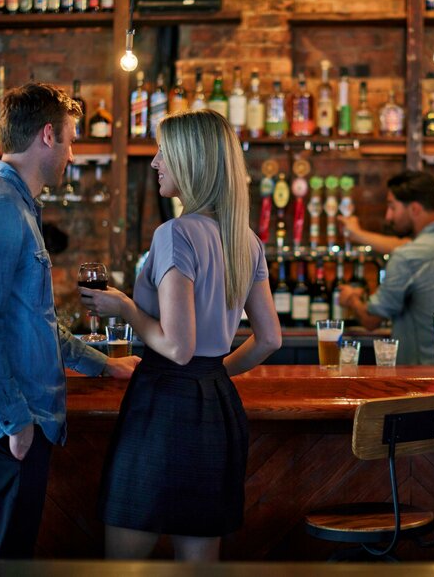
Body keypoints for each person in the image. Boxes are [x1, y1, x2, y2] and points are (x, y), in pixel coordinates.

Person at [0, 83, 137, 559]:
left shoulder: (14, 206)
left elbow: (32, 322)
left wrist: (103, 364)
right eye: (71, 139)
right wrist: (17, 421)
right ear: (47, 135)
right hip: (4, 432)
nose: (72, 152)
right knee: (2, 566)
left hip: (9, 428)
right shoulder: (2, 211)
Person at [79, 109, 282, 561]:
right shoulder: (246, 240)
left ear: (191, 162)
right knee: (199, 566)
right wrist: (211, 376)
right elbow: (269, 339)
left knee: (124, 566)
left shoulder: (174, 233)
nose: (154, 163)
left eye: (163, 153)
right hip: (215, 405)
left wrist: (125, 308)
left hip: (163, 405)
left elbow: (177, 345)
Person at [337, 171, 434, 365]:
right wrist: (358, 235)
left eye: (392, 207)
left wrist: (351, 298)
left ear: (414, 209)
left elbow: (371, 320)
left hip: (426, 381)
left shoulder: (406, 258)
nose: (388, 216)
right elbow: (416, 247)